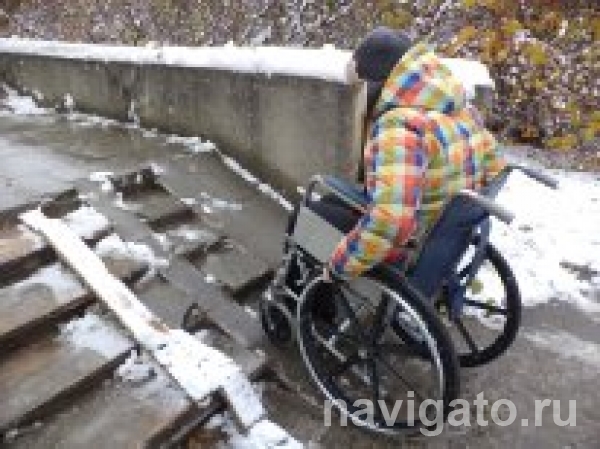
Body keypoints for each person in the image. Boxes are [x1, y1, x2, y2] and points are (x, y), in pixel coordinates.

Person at [320, 26, 506, 280]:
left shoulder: (400, 126)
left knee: (311, 212)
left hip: (409, 247)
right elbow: (495, 170)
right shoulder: (465, 112)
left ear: (375, 85)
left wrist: (338, 267)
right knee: (332, 201)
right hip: (442, 241)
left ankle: (310, 298)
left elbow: (391, 223)